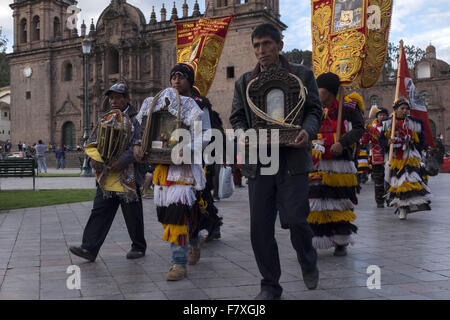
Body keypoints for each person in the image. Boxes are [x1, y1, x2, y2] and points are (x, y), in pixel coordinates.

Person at [229, 23, 322, 300]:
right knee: (259, 227)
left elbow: (315, 109)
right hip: (260, 161)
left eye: (267, 44)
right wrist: (243, 133)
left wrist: (307, 131)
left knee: (295, 219)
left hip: (293, 158)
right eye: (256, 45)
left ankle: (307, 258)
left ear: (280, 45)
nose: (261, 51)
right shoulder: (244, 81)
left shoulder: (302, 75)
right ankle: (270, 285)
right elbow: (237, 117)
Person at [135, 63, 214, 281]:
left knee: (177, 214)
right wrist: (141, 146)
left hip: (185, 168)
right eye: (173, 77)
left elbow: (206, 134)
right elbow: (147, 129)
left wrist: (187, 149)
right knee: (165, 214)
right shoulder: (161, 104)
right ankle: (195, 239)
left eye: (181, 77)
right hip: (163, 167)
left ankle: (178, 263)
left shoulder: (198, 105)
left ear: (190, 80)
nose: (176, 81)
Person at [69, 83, 147, 262]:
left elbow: (138, 142)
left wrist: (122, 161)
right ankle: (89, 248)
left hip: (128, 174)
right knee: (99, 211)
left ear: (127, 98)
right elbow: (93, 141)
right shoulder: (105, 118)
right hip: (107, 175)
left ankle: (138, 247)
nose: (114, 101)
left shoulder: (136, 119)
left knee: (132, 213)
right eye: (111, 97)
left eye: (118, 97)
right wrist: (94, 158)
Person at [308, 73, 365, 257]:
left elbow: (359, 128)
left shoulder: (348, 107)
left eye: (320, 89)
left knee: (340, 201)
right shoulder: (312, 108)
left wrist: (343, 143)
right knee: (317, 202)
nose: (316, 92)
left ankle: (341, 240)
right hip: (318, 162)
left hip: (340, 164)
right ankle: (316, 238)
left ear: (330, 91)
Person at [379, 99, 431, 220]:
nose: (404, 111)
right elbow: (381, 139)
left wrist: (416, 145)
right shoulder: (387, 123)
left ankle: (406, 206)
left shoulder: (414, 122)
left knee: (409, 181)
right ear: (395, 110)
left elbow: (421, 138)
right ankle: (401, 207)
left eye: (406, 109)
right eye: (401, 108)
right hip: (395, 157)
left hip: (409, 156)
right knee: (397, 183)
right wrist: (388, 142)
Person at [361, 107, 389, 207]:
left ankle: (390, 199)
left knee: (390, 180)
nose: (382, 117)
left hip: (390, 158)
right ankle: (380, 201)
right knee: (378, 181)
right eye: (380, 115)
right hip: (377, 159)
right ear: (377, 117)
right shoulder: (371, 128)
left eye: (384, 115)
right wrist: (365, 132)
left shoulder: (390, 126)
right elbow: (364, 142)